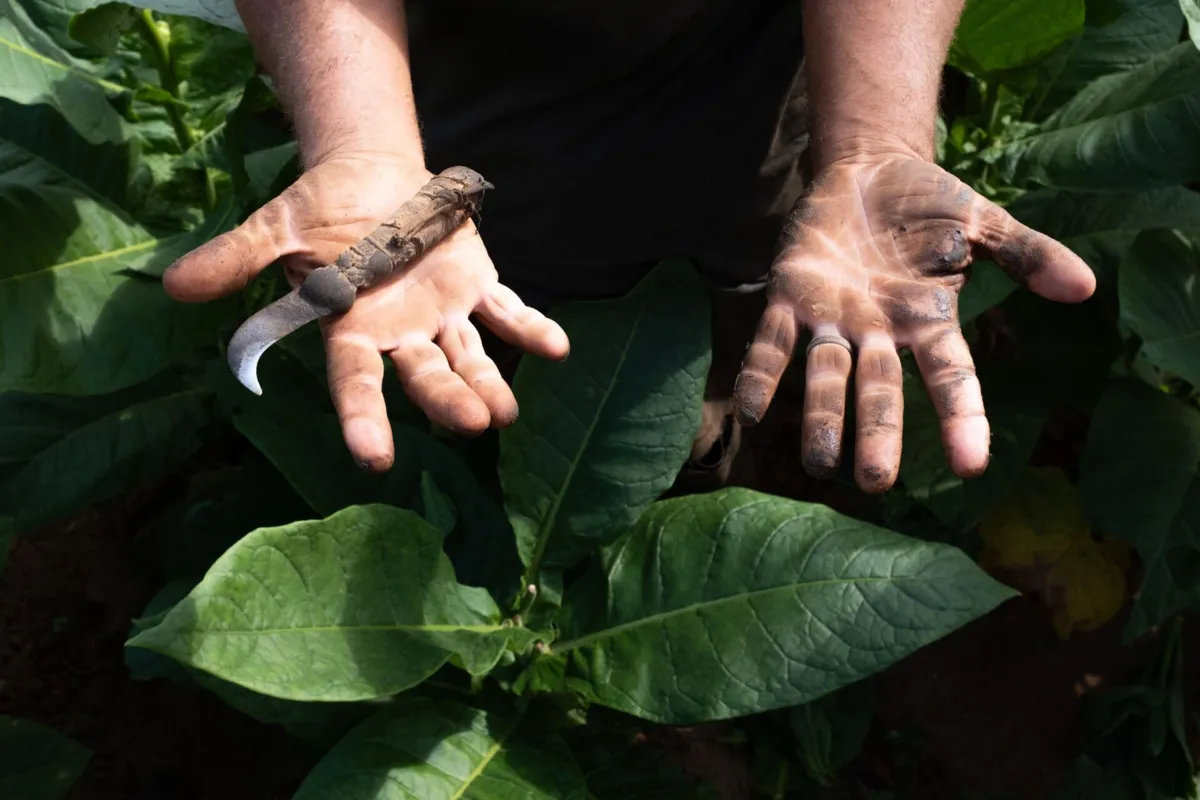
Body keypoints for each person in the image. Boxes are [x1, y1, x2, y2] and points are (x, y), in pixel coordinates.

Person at [162, 0, 1096, 494]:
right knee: (444, 399)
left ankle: (682, 466)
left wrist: (876, 139)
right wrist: (363, 139)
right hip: (438, 143)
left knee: (685, 408)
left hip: (736, 168)